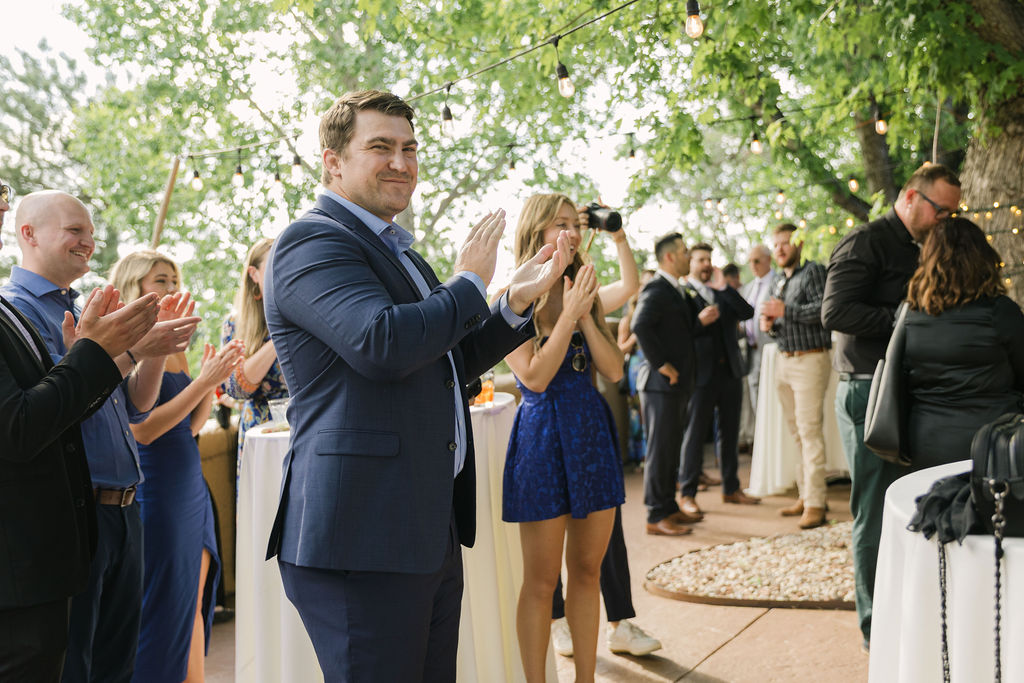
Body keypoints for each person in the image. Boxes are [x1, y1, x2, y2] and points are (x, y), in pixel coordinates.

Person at [262, 90, 569, 682]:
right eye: (380, 147)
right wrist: (470, 282)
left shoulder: (400, 253)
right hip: (362, 534)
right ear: (333, 162)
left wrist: (514, 302)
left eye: (409, 148)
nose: (401, 162)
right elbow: (384, 344)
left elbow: (444, 360)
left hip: (421, 525)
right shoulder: (311, 242)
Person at [2, 190, 200, 683]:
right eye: (75, 231)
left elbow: (135, 406)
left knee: (117, 663)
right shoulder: (15, 313)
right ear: (28, 234)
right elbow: (46, 414)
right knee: (74, 664)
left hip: (128, 506)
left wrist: (152, 348)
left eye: (91, 232)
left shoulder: (88, 305)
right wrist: (106, 354)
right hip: (75, 514)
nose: (89, 242)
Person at [500, 194, 651, 680]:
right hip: (542, 436)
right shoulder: (513, 297)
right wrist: (566, 313)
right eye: (556, 224)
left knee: (588, 572)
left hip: (590, 431)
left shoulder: (581, 287)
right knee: (542, 582)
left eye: (572, 223)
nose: (568, 230)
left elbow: (612, 368)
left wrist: (583, 310)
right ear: (535, 233)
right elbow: (535, 378)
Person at [821, 163, 961, 651]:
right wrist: (906, 321)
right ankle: (876, 628)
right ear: (909, 196)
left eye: (952, 213)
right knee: (876, 512)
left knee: (915, 501)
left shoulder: (922, 244)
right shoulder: (867, 242)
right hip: (868, 391)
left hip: (907, 390)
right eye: (940, 209)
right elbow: (834, 312)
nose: (945, 219)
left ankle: (910, 610)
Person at [109, 252, 243, 683]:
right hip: (157, 486)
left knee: (194, 599)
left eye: (174, 279)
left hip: (189, 482)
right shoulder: (127, 346)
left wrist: (210, 378)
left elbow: (192, 426)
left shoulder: (175, 345)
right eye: (160, 280)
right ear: (135, 285)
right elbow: (144, 430)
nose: (171, 288)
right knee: (162, 603)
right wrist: (204, 383)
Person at [903, 217, 1024, 470]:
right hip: (993, 443)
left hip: (927, 440)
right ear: (982, 257)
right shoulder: (1000, 311)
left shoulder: (910, 313)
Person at [679, 243, 759, 518]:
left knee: (730, 433)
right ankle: (687, 494)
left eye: (709, 259)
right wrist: (699, 322)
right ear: (690, 262)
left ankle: (731, 488)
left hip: (730, 372)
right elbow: (676, 334)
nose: (705, 264)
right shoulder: (682, 293)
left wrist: (725, 287)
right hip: (700, 375)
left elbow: (748, 313)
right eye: (700, 259)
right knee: (695, 434)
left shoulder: (721, 290)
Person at [759, 224, 832, 529]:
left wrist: (784, 311)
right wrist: (770, 324)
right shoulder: (777, 280)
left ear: (799, 244)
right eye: (775, 245)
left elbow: (823, 311)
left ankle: (816, 504)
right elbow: (781, 318)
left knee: (810, 432)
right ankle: (807, 495)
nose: (780, 249)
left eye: (785, 243)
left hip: (810, 359)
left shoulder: (813, 271)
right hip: (784, 361)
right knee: (797, 434)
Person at [631, 233, 702, 536]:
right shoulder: (657, 288)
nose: (689, 256)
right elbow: (639, 325)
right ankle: (655, 515)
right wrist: (663, 366)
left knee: (672, 447)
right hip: (660, 385)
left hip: (677, 384)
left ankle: (670, 507)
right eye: (685, 252)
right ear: (670, 257)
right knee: (660, 450)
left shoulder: (677, 289)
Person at [220, 237, 287, 468]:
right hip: (262, 432)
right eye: (274, 264)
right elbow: (236, 389)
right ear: (254, 274)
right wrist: (281, 332)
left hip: (310, 424)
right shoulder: (236, 324)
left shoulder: (313, 313)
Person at [741, 244, 779, 413]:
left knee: (775, 399)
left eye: (757, 261)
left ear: (768, 260)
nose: (753, 266)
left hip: (773, 350)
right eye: (750, 261)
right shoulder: (747, 288)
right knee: (757, 401)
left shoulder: (779, 282)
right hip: (751, 352)